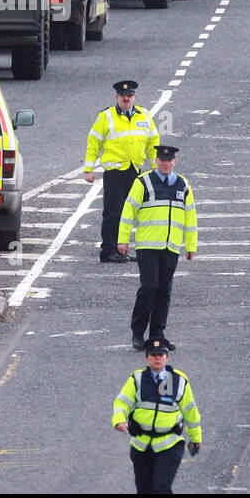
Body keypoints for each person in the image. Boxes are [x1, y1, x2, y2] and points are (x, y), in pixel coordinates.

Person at [117, 144, 196, 351]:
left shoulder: (183, 185)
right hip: (148, 246)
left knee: (164, 291)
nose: (165, 163)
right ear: (156, 161)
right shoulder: (143, 182)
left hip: (171, 247)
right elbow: (128, 211)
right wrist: (122, 240)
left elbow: (190, 217)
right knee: (149, 287)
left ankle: (157, 335)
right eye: (162, 160)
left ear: (174, 162)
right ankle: (138, 332)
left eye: (169, 161)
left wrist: (191, 245)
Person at [112, 339, 202, 494]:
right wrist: (119, 420)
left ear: (167, 357)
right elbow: (122, 403)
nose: (157, 358)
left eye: (161, 354)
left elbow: (190, 411)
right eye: (153, 355)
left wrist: (196, 438)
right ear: (147, 358)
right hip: (141, 445)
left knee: (161, 488)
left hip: (169, 444)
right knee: (144, 490)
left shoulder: (179, 381)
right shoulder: (137, 379)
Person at [84, 79, 159, 264]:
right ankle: (108, 250)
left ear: (134, 96)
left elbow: (153, 144)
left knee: (130, 211)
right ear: (116, 97)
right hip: (115, 171)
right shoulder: (106, 116)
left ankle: (122, 248)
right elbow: (94, 143)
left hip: (134, 170)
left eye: (130, 96)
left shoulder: (144, 115)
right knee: (113, 211)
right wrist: (88, 169)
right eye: (123, 96)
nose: (126, 99)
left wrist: (156, 169)